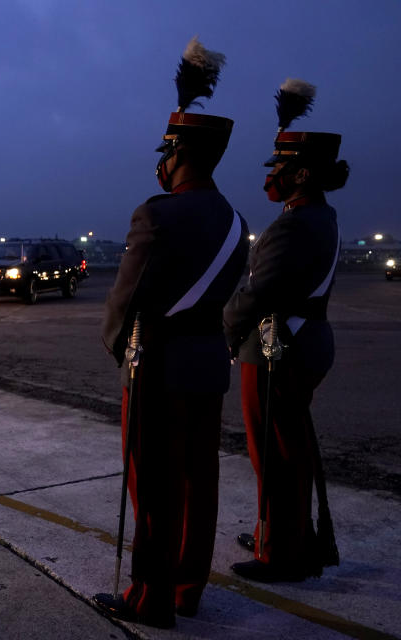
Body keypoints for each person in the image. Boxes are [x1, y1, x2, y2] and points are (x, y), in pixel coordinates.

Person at [95, 37, 249, 628]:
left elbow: (125, 302)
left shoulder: (155, 213)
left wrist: (115, 347)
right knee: (198, 479)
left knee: (154, 487)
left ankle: (150, 599)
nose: (158, 160)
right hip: (208, 363)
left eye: (165, 149)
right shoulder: (236, 221)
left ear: (180, 153)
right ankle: (187, 587)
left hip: (156, 366)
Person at [224, 79, 348, 583]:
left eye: (276, 168)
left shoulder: (295, 223)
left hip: (280, 346)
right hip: (303, 340)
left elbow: (260, 293)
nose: (268, 178)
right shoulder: (320, 214)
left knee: (274, 453)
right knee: (286, 450)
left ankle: (282, 553)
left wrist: (228, 329)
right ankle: (279, 534)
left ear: (299, 174)